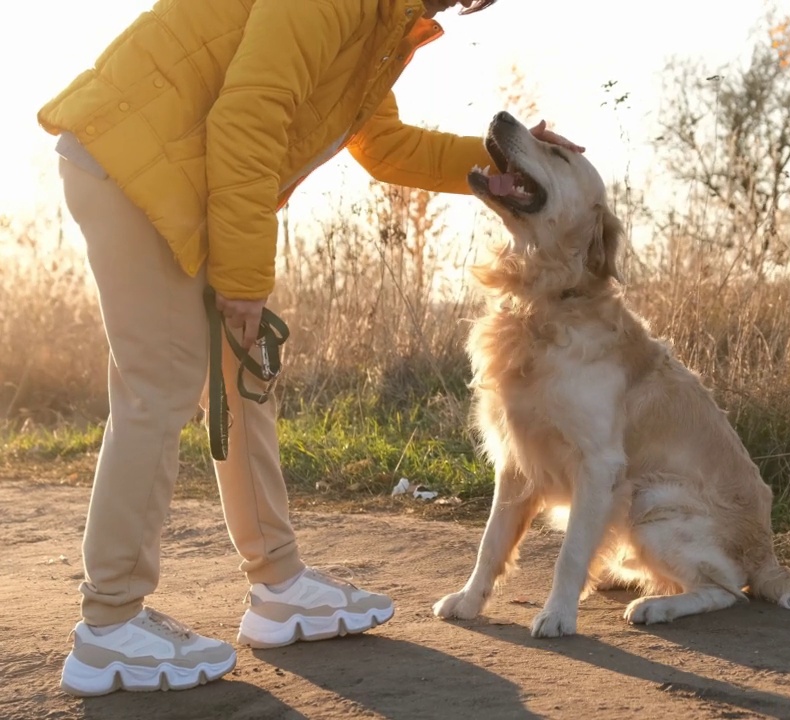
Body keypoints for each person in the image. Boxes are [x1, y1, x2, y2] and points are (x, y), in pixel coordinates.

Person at [38, 0, 584, 697]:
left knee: (242, 380)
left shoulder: (383, 22)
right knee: (161, 383)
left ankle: (279, 586)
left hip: (179, 171)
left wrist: (499, 165)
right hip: (134, 160)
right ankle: (109, 628)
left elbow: (380, 143)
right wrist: (242, 279)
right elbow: (248, 118)